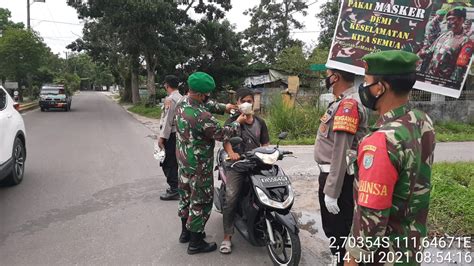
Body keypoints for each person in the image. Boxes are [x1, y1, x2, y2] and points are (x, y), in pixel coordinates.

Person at [345, 50, 436, 265]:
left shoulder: (380, 141)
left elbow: (372, 215)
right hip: (411, 246)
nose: (364, 89)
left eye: (367, 82)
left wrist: (353, 258)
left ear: (380, 88)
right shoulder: (421, 121)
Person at [175, 72, 246, 255]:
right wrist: (237, 121)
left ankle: (186, 233)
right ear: (200, 94)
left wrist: (225, 107)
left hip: (183, 162)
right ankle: (196, 243)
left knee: (185, 196)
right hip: (199, 166)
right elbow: (223, 133)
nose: (208, 97)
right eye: (207, 94)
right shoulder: (201, 116)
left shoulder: (182, 102)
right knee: (200, 201)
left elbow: (208, 104)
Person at [314, 68, 369, 265]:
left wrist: (332, 190)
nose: (326, 78)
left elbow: (341, 150)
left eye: (327, 74)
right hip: (334, 176)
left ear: (335, 77)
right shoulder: (342, 102)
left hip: (338, 178)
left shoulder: (348, 105)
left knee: (340, 231)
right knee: (335, 231)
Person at [219, 88, 270, 254]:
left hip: (255, 163)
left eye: (250, 100)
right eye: (244, 101)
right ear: (238, 103)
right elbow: (225, 140)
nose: (247, 103)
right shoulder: (232, 121)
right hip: (237, 165)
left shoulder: (260, 122)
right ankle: (227, 237)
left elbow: (265, 144)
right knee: (231, 197)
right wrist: (232, 153)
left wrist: (267, 155)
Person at [422, 7, 470, 80]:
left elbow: (460, 67)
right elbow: (429, 52)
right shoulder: (443, 35)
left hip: (444, 81)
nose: (449, 22)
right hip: (429, 76)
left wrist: (451, 85)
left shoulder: (466, 41)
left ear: (462, 20)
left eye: (453, 19)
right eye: (448, 19)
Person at [158, 75, 183, 201]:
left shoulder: (171, 99)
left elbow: (168, 120)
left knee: (167, 162)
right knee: (175, 161)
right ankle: (177, 187)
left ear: (166, 85)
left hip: (171, 135)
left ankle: (175, 189)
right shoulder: (181, 97)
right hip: (179, 134)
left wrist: (162, 138)